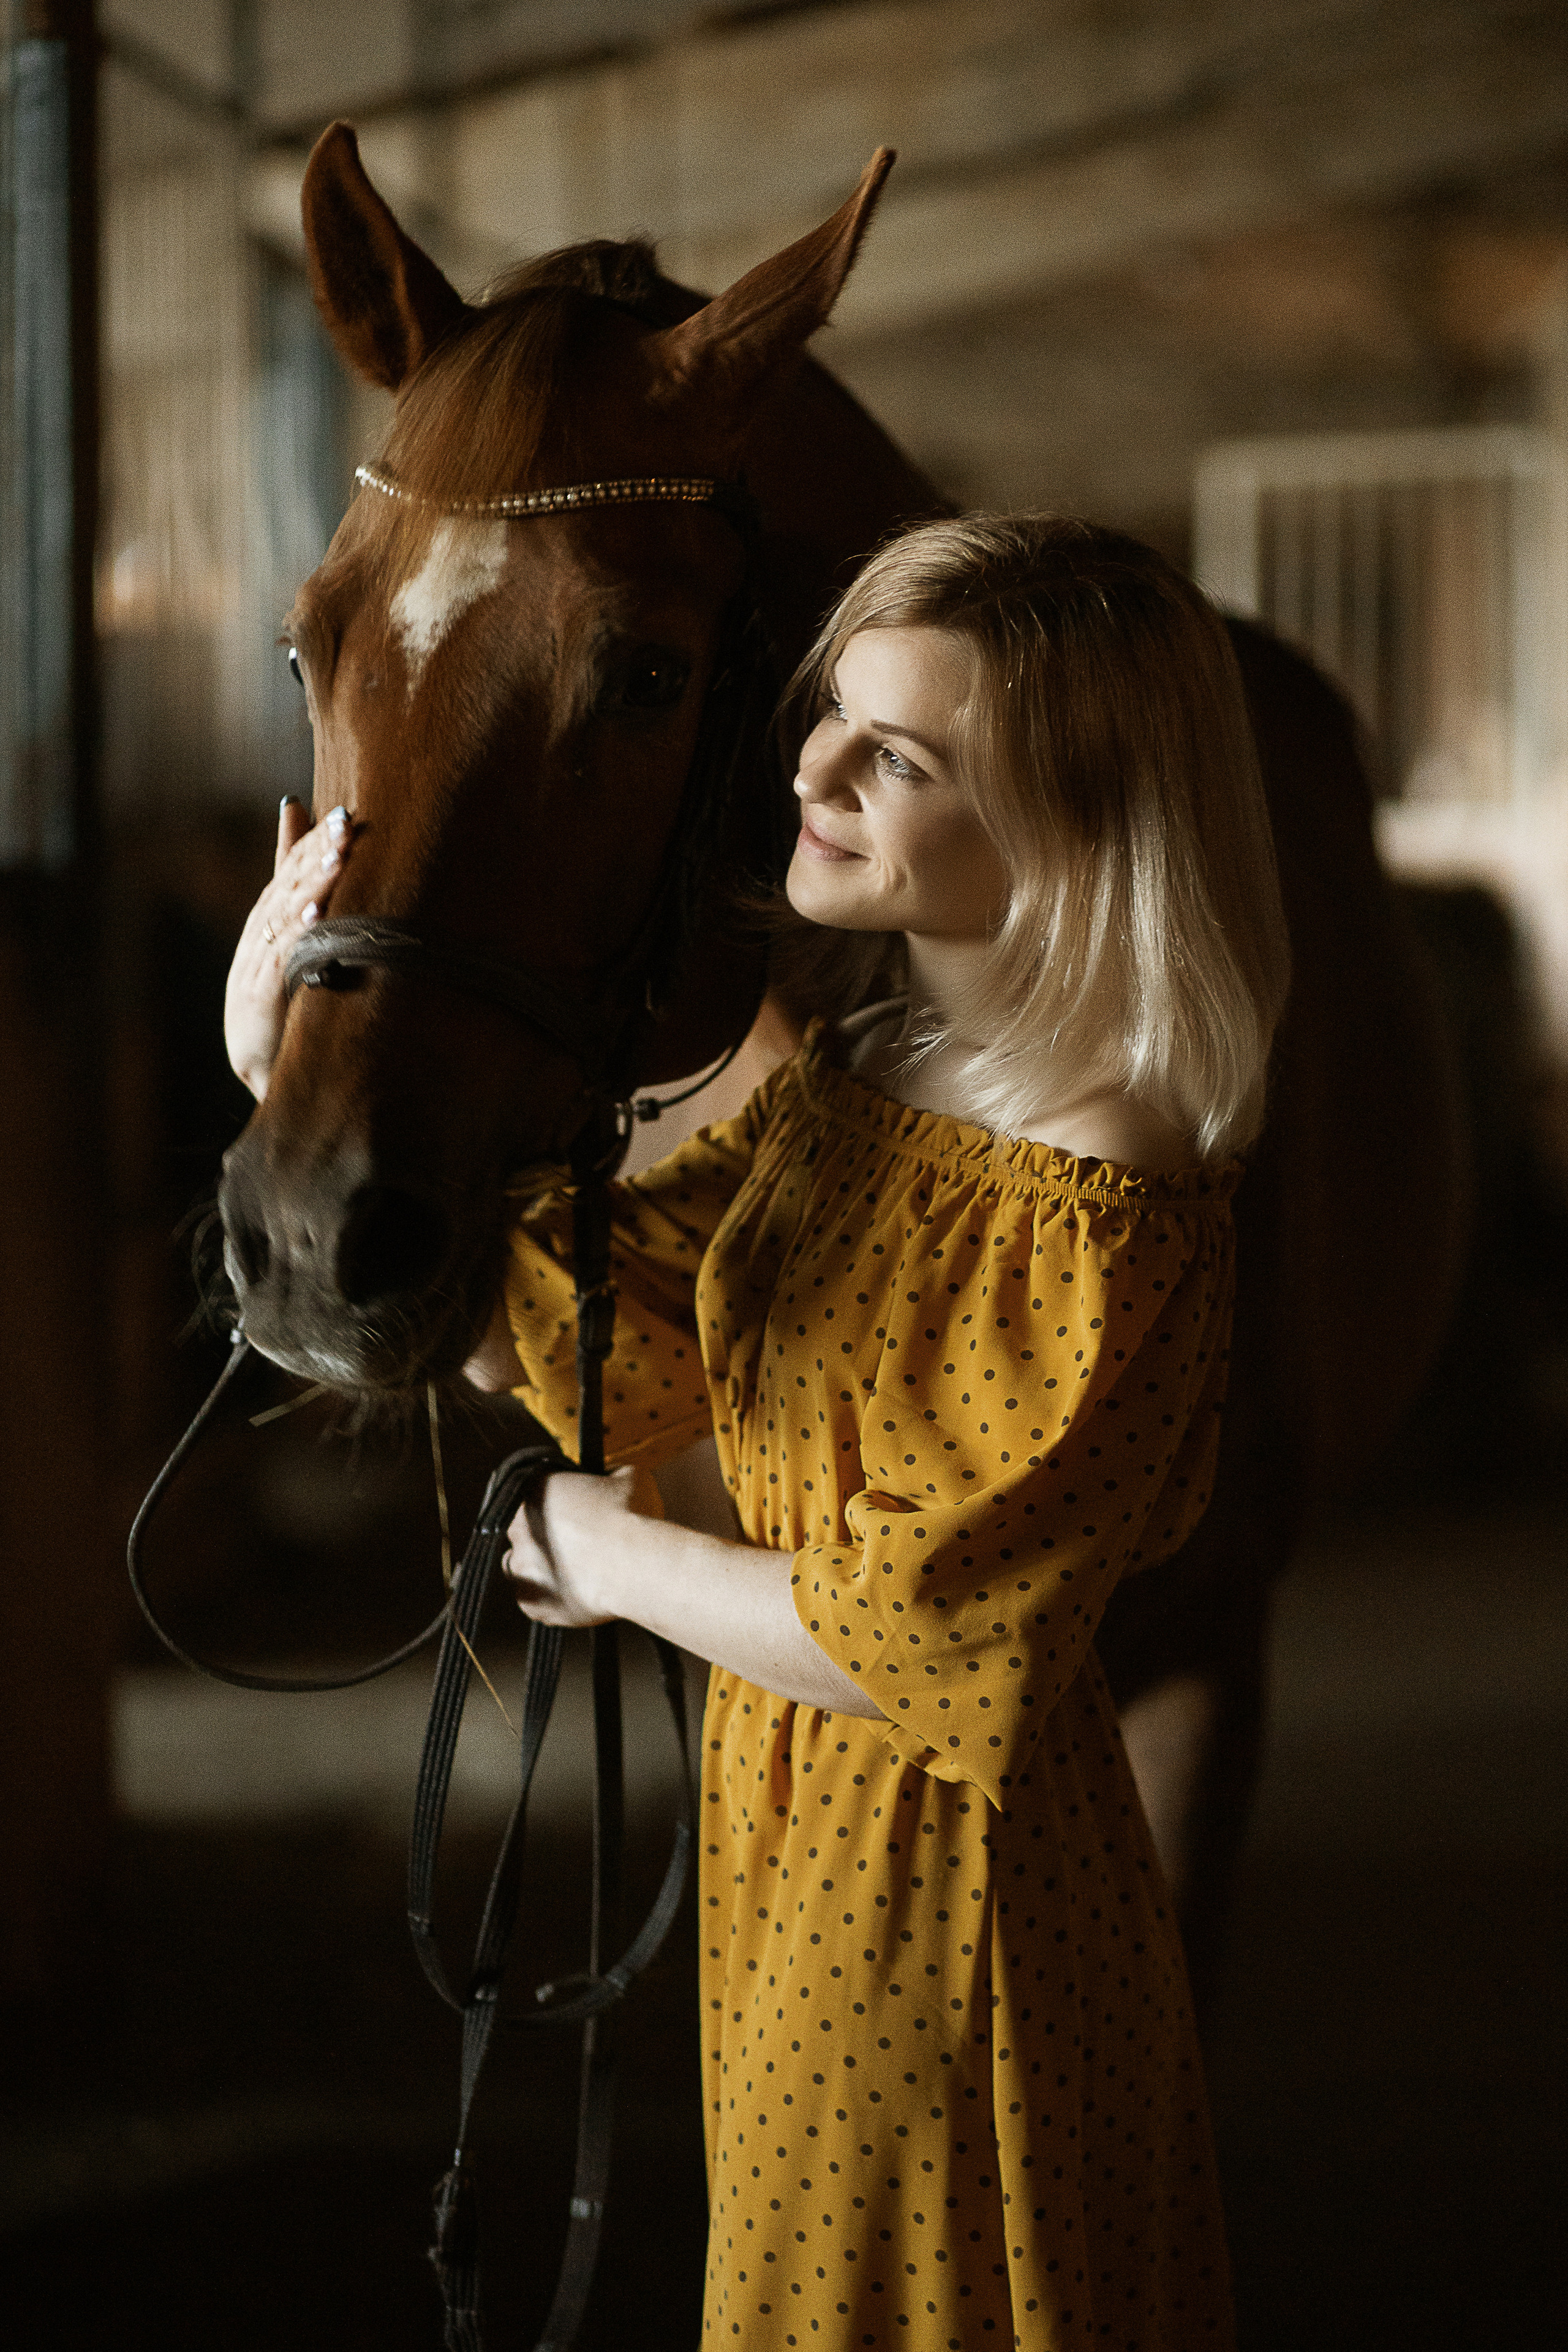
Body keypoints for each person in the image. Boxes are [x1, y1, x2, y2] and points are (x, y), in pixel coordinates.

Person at [230, 514, 1289, 2350]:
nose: (810, 766)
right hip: (803, 1855)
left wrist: (606, 1554)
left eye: (904, 755)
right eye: (830, 719)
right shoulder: (865, 1084)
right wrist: (288, 1055)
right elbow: (579, 1336)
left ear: (1067, 817)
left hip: (956, 1898)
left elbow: (924, 1641)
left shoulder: (1097, 1180)